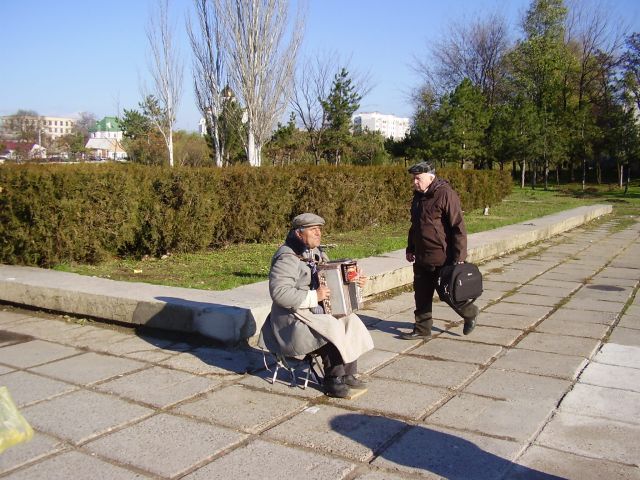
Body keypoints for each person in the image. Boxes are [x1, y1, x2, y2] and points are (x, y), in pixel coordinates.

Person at [258, 213, 374, 398]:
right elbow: (279, 293)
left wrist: (355, 281)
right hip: (291, 318)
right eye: (313, 230)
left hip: (314, 311)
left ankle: (348, 373)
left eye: (319, 230)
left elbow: (331, 278)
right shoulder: (287, 258)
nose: (318, 234)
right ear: (298, 233)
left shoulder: (316, 253)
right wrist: (315, 296)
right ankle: (332, 380)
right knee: (330, 327)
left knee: (349, 320)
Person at [401, 160, 479, 339]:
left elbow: (458, 226)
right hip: (421, 255)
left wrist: (460, 257)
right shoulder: (418, 197)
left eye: (418, 178)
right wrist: (410, 248)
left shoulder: (445, 194)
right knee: (421, 294)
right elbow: (415, 226)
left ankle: (470, 312)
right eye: (413, 178)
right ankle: (422, 329)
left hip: (443, 257)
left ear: (431, 177)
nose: (414, 182)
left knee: (448, 294)